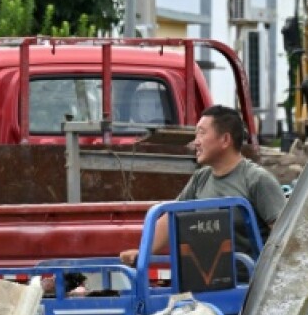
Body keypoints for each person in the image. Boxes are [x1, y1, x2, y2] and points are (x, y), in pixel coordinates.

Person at [119, 105, 286, 267]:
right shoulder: (201, 178)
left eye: (201, 134)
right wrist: (143, 253)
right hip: (205, 279)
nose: (196, 142)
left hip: (248, 286)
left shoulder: (257, 180)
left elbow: (286, 235)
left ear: (225, 139)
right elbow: (171, 217)